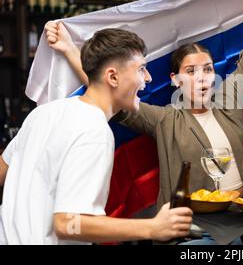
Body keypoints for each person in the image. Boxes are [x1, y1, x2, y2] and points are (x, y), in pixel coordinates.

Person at [45, 0, 243, 244]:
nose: (202, 78)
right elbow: (108, 88)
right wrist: (71, 50)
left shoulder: (229, 99)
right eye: (191, 72)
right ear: (175, 80)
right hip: (194, 231)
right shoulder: (165, 119)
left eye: (207, 69)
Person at [0, 28, 192, 244]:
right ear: (112, 76)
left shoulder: (43, 112)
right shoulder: (94, 132)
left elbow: (2, 169)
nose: (148, 78)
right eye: (142, 69)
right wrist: (152, 227)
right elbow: (68, 224)